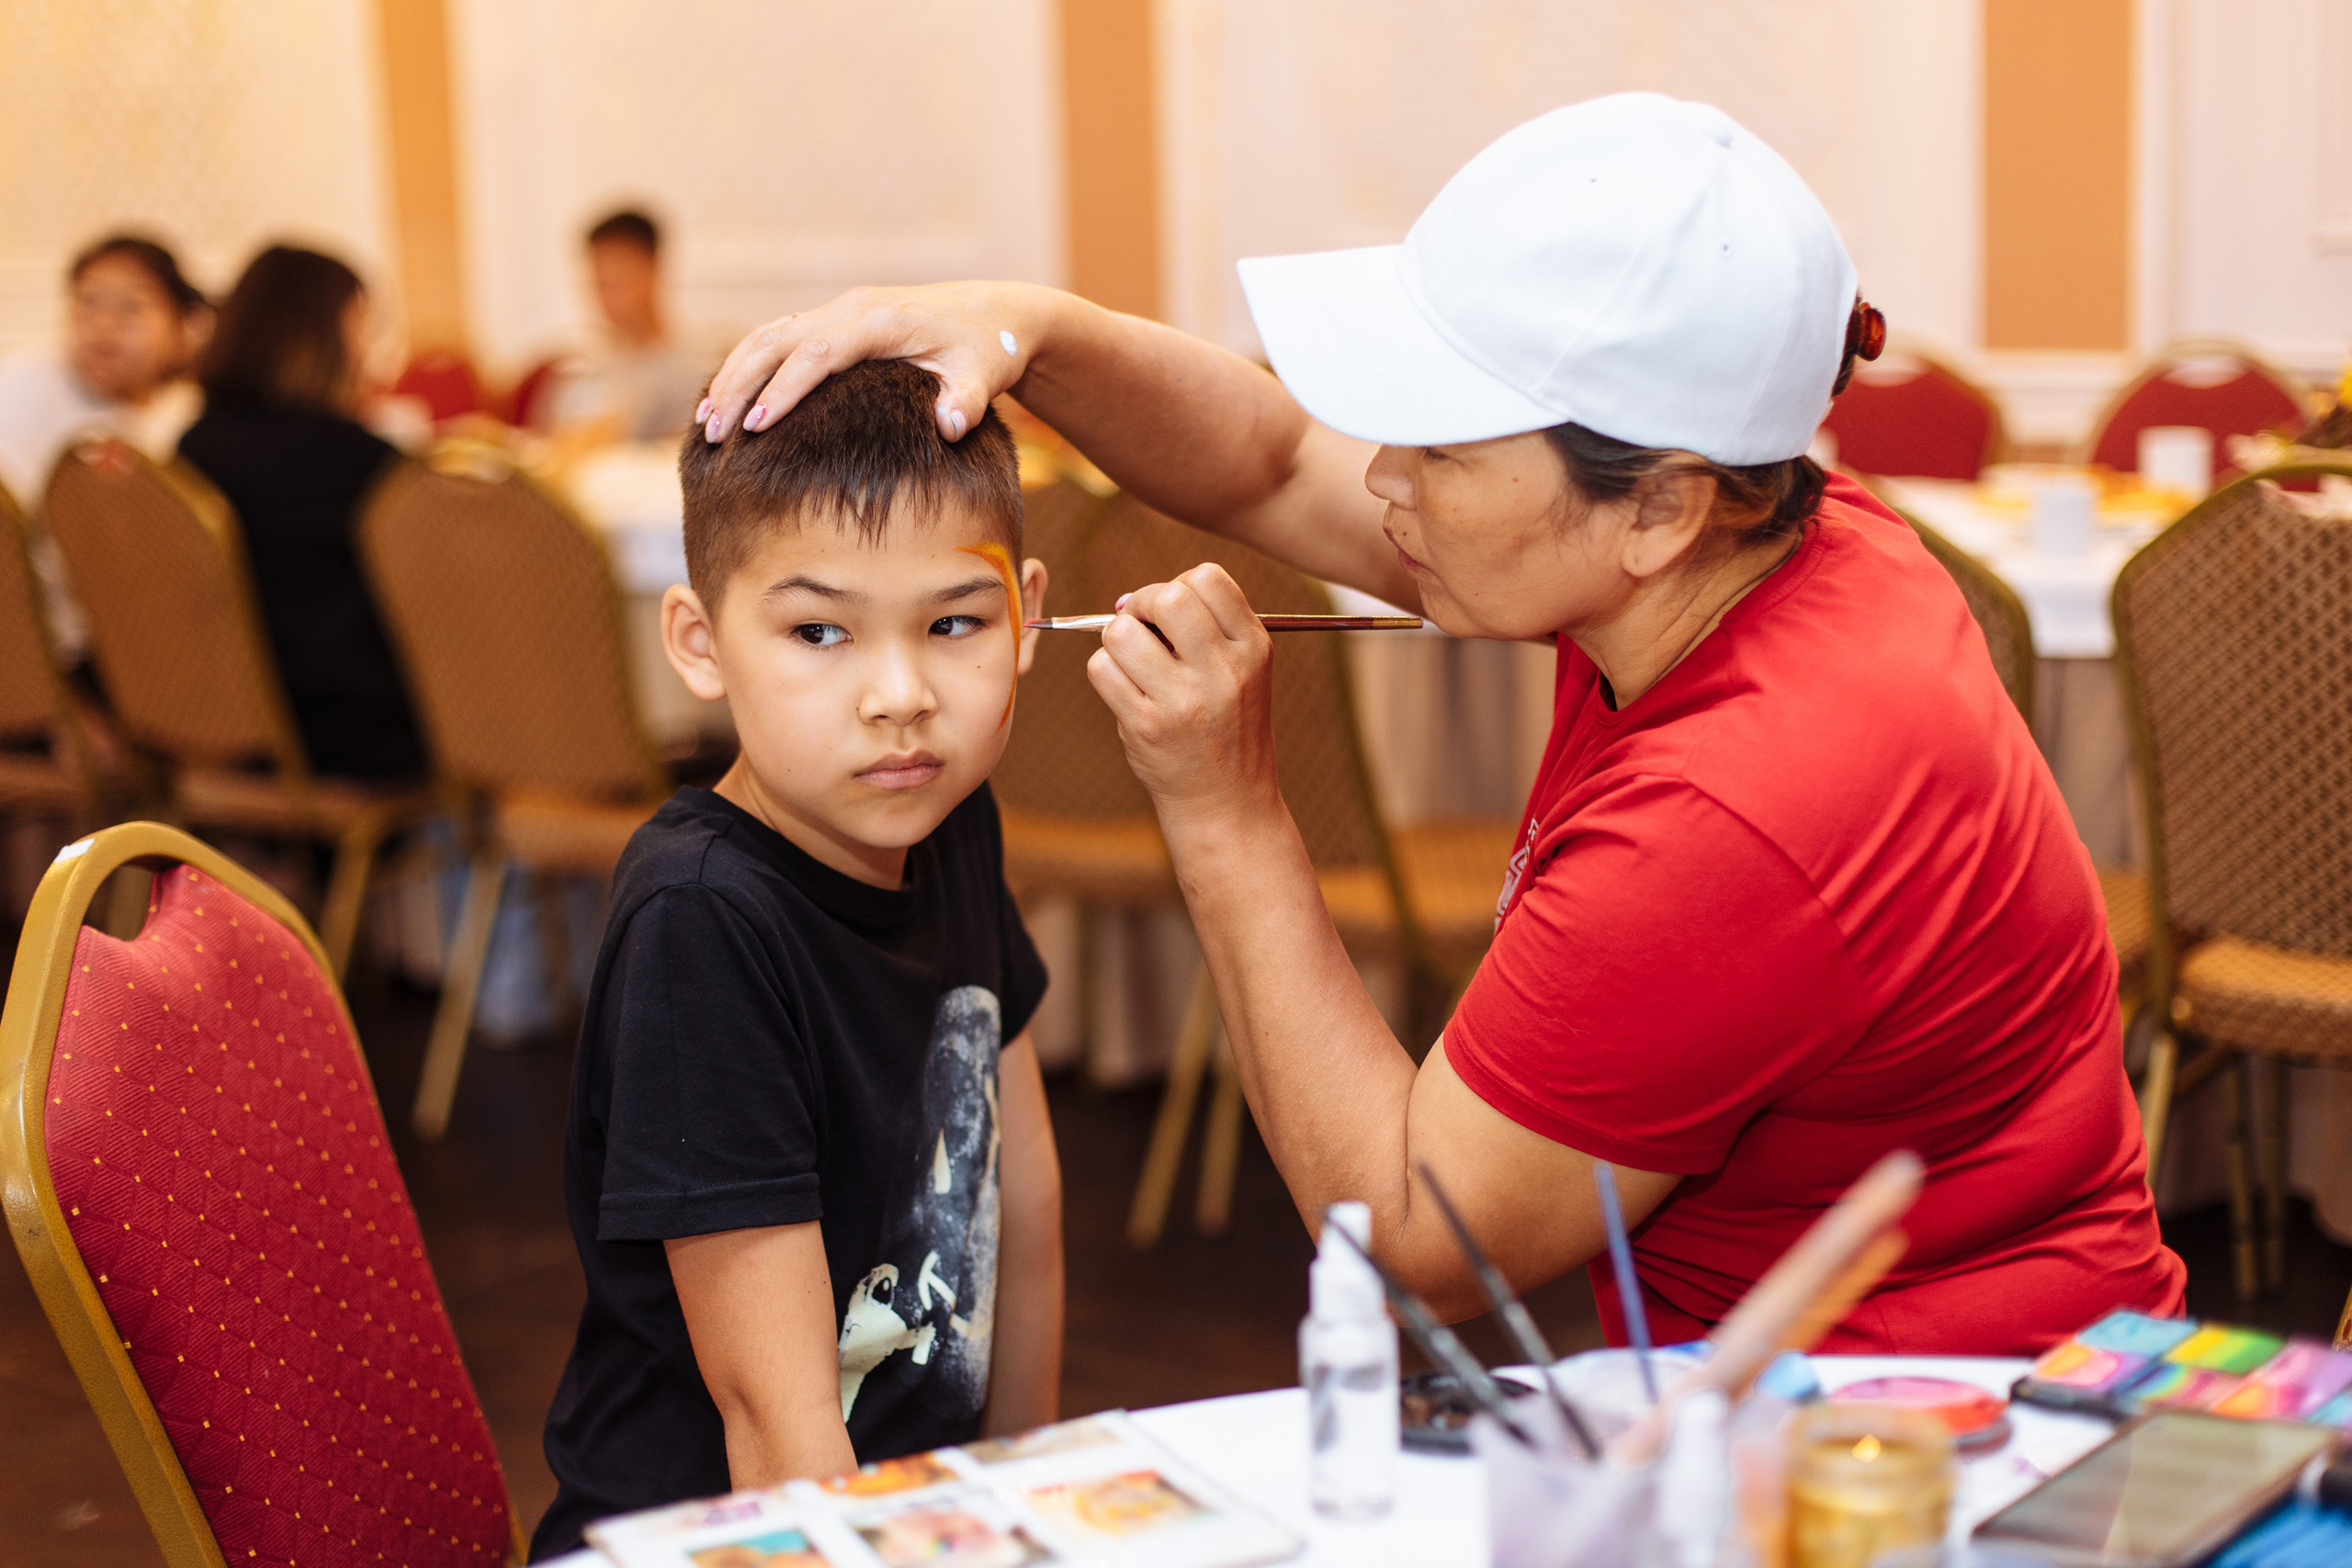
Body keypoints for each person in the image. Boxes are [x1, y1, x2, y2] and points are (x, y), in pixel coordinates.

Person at [699, 94, 2184, 1356]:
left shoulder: (1740, 809)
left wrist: (1224, 809)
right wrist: (1032, 329)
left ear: (1658, 503)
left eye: (1440, 439)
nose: (1387, 476)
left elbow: (1422, 1232)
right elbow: (1276, 458)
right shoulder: (1763, 525)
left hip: (1942, 1423)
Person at [533, 359, 1064, 1556]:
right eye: (819, 630)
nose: (900, 694)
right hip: (720, 1530)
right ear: (701, 639)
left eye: (954, 623)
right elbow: (772, 1423)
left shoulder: (947, 818)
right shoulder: (704, 918)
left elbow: (1020, 1204)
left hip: (905, 1518)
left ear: (1025, 613)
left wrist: (1027, 1511)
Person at [176, 245, 426, 782]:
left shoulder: (192, 449)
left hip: (225, 730)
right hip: (351, 736)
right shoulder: (361, 463)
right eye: (363, 324)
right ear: (329, 333)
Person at [0, 235, 209, 657]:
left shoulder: (192, 420)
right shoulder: (21, 389)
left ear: (184, 327)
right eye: (87, 304)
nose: (103, 326)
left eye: (131, 308)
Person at [544, 209, 729, 443]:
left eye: (618, 282)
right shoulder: (581, 374)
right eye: (599, 284)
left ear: (653, 270)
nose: (606, 298)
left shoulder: (700, 371)